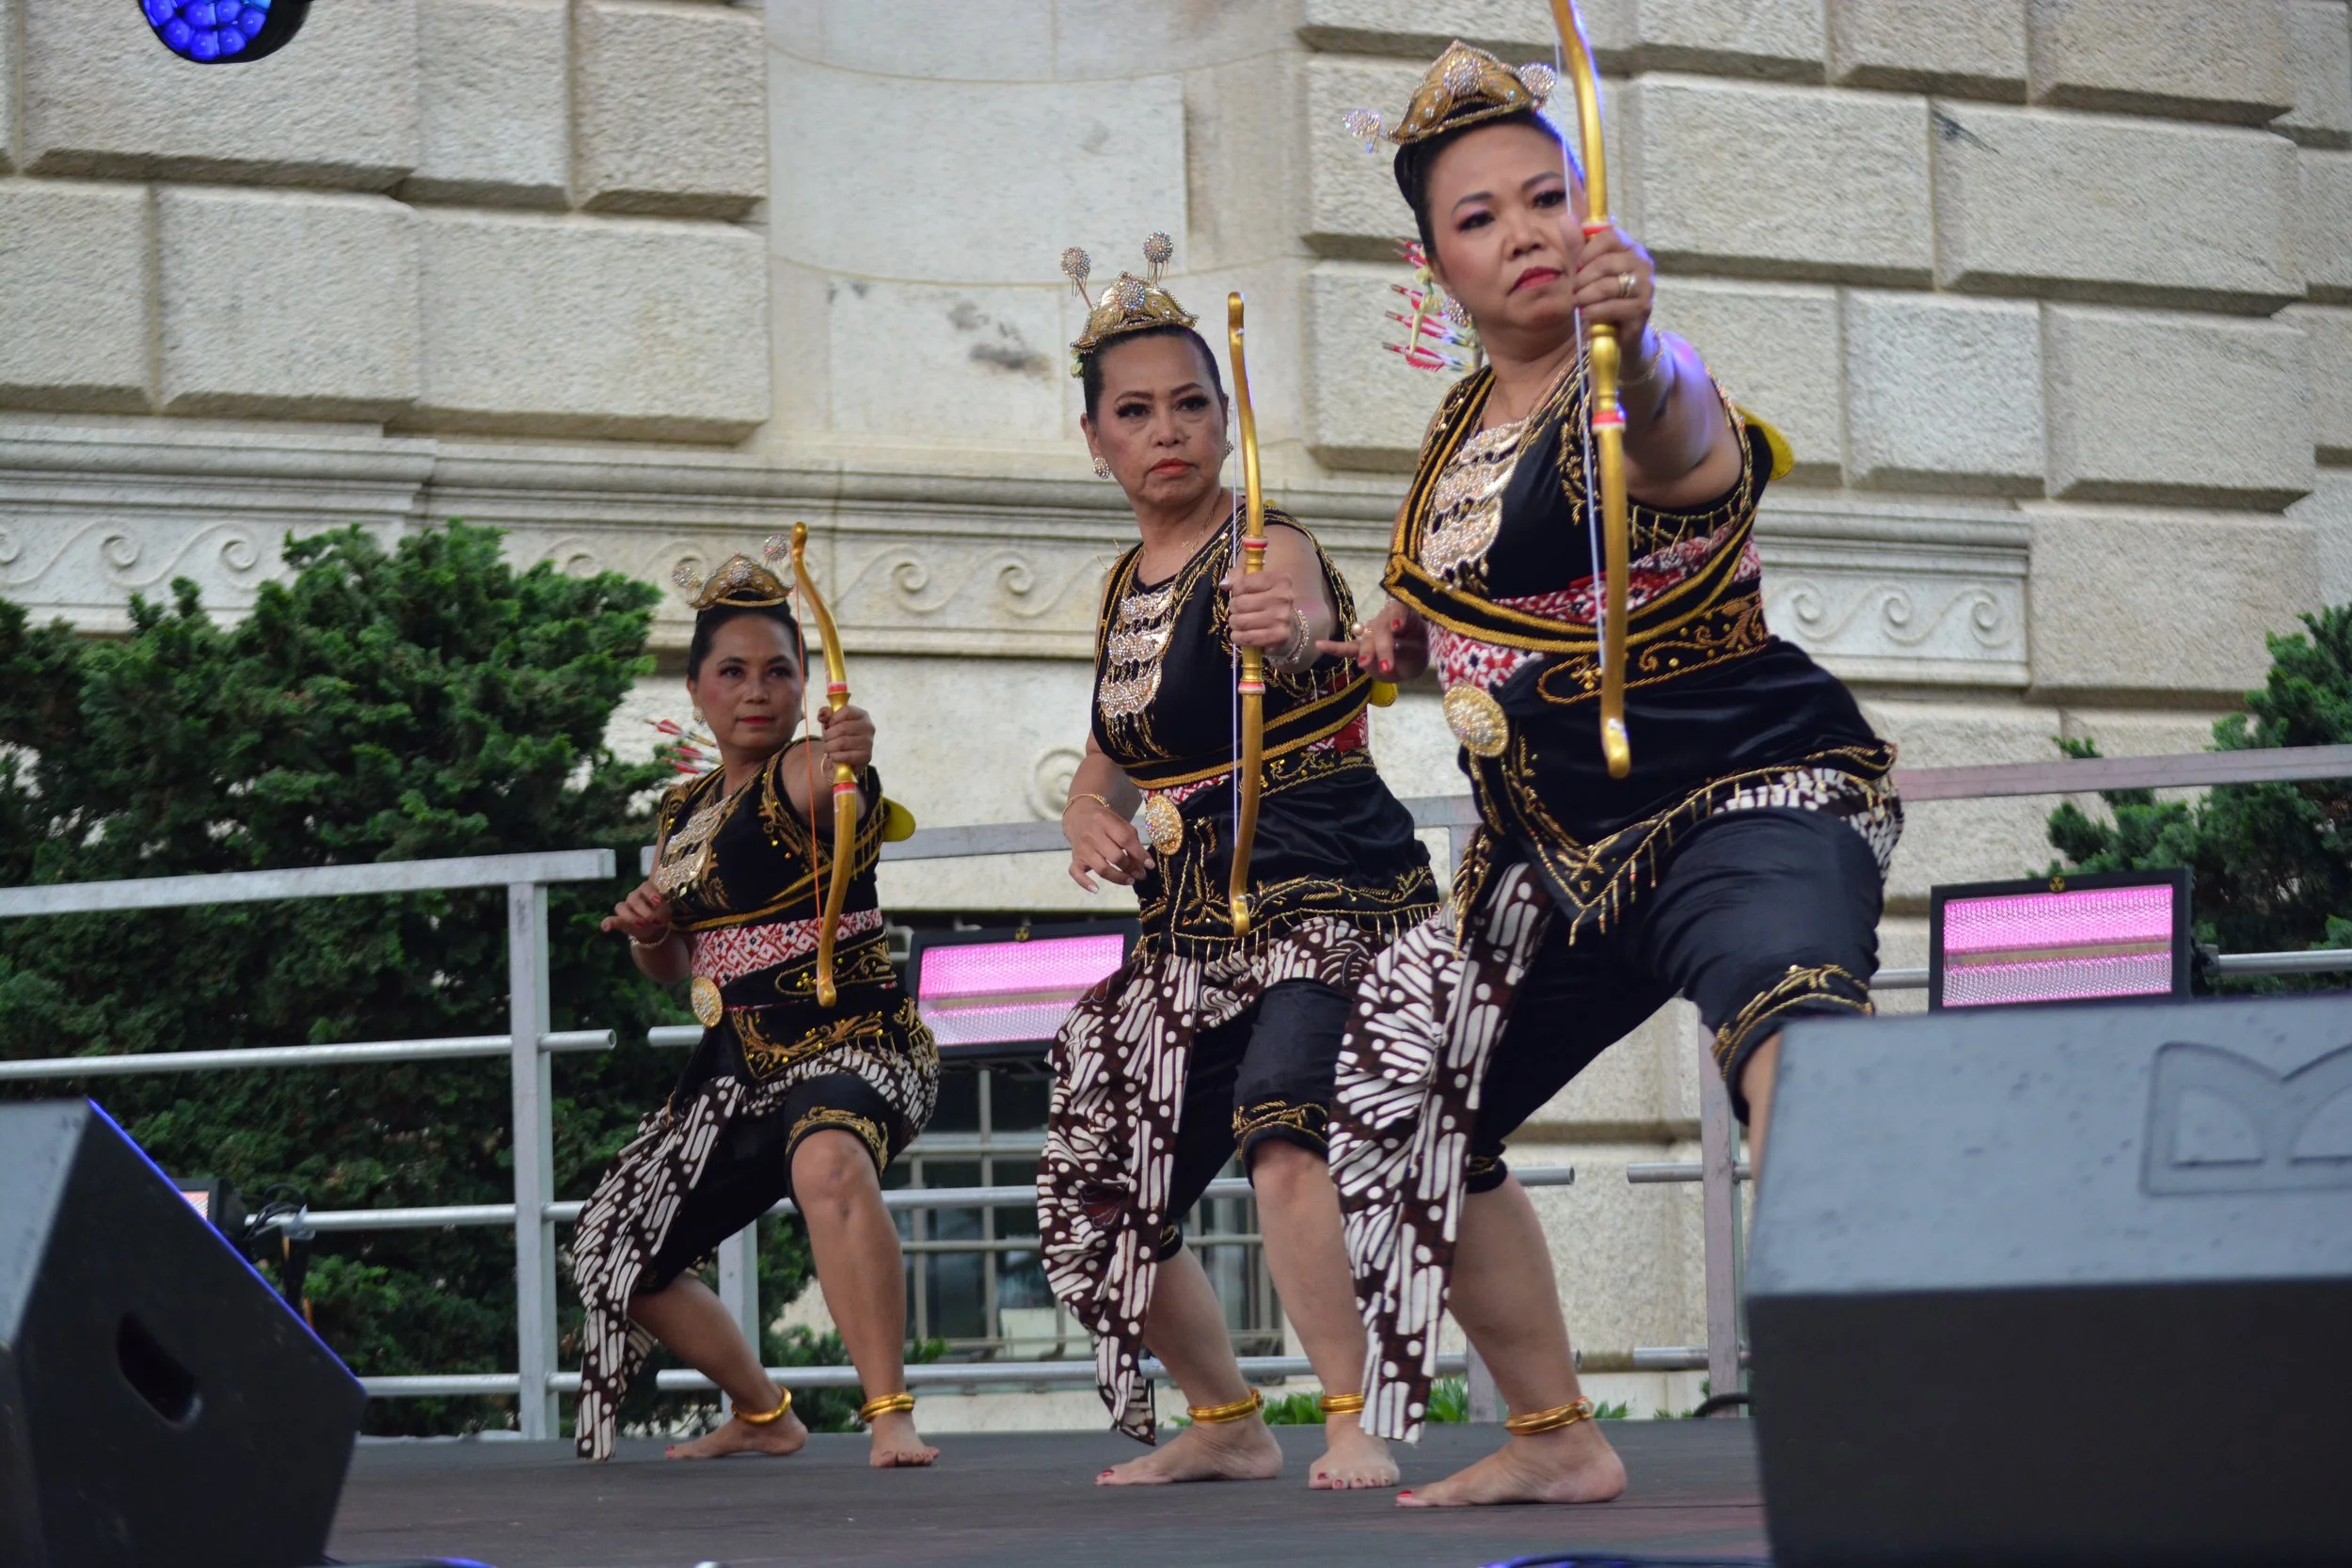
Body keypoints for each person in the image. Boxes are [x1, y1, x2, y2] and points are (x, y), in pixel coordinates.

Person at [1320, 43, 1902, 1507]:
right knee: (1399, 1095)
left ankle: (1889, 1419)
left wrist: (1637, 345)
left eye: (1546, 197)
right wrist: (1373, 645)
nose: (1522, 231)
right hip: (1553, 854)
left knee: (1795, 1038)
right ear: (1433, 263)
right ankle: (1554, 1434)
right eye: (1479, 217)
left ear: (1590, 213)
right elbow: (1475, 609)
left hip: (1736, 795)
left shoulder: (1623, 382)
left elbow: (1682, 438)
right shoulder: (1456, 430)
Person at [1035, 236, 1440, 1490]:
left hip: (1321, 883)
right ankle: (1226, 1418)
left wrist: (1299, 632)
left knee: (1281, 1128)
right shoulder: (1123, 585)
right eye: (1134, 411)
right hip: (1188, 918)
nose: (1167, 430)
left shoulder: (1268, 543)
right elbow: (1111, 753)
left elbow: (1308, 625)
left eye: (1190, 404)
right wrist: (1086, 816)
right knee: (1097, 1182)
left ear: (1225, 417)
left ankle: (1350, 1414)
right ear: (1095, 438)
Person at [571, 549, 941, 1467]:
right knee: (613, 1244)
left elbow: (838, 791)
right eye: (732, 672)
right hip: (734, 1074)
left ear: (806, 682)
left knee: (827, 1157)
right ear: (696, 688)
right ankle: (764, 1411)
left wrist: (854, 755)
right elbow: (671, 967)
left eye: (778, 670)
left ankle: (889, 1415)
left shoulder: (809, 769)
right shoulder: (683, 812)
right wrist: (649, 927)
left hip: (853, 1044)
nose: (756, 691)